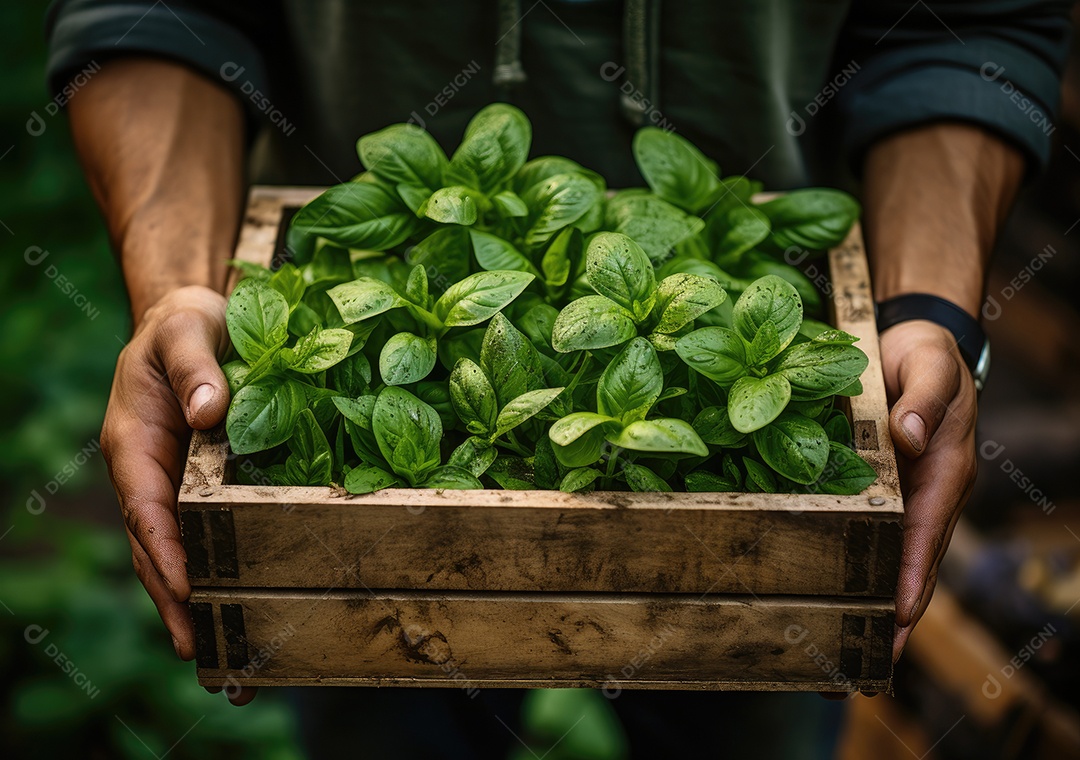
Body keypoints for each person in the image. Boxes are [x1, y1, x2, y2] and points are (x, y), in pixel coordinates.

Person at [45, 0, 1071, 756]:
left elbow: (967, 21)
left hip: (759, 525)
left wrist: (931, 308)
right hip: (359, 553)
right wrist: (179, 289)